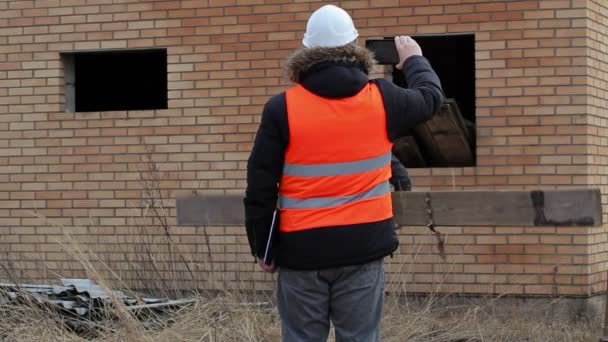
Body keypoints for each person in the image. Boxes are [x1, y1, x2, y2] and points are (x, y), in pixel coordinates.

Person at [244, 4, 443, 341]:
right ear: (354, 47)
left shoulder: (282, 108)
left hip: (301, 252)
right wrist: (413, 59)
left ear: (307, 51)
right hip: (363, 249)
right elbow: (431, 97)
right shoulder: (383, 99)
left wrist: (263, 247)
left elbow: (260, 184)